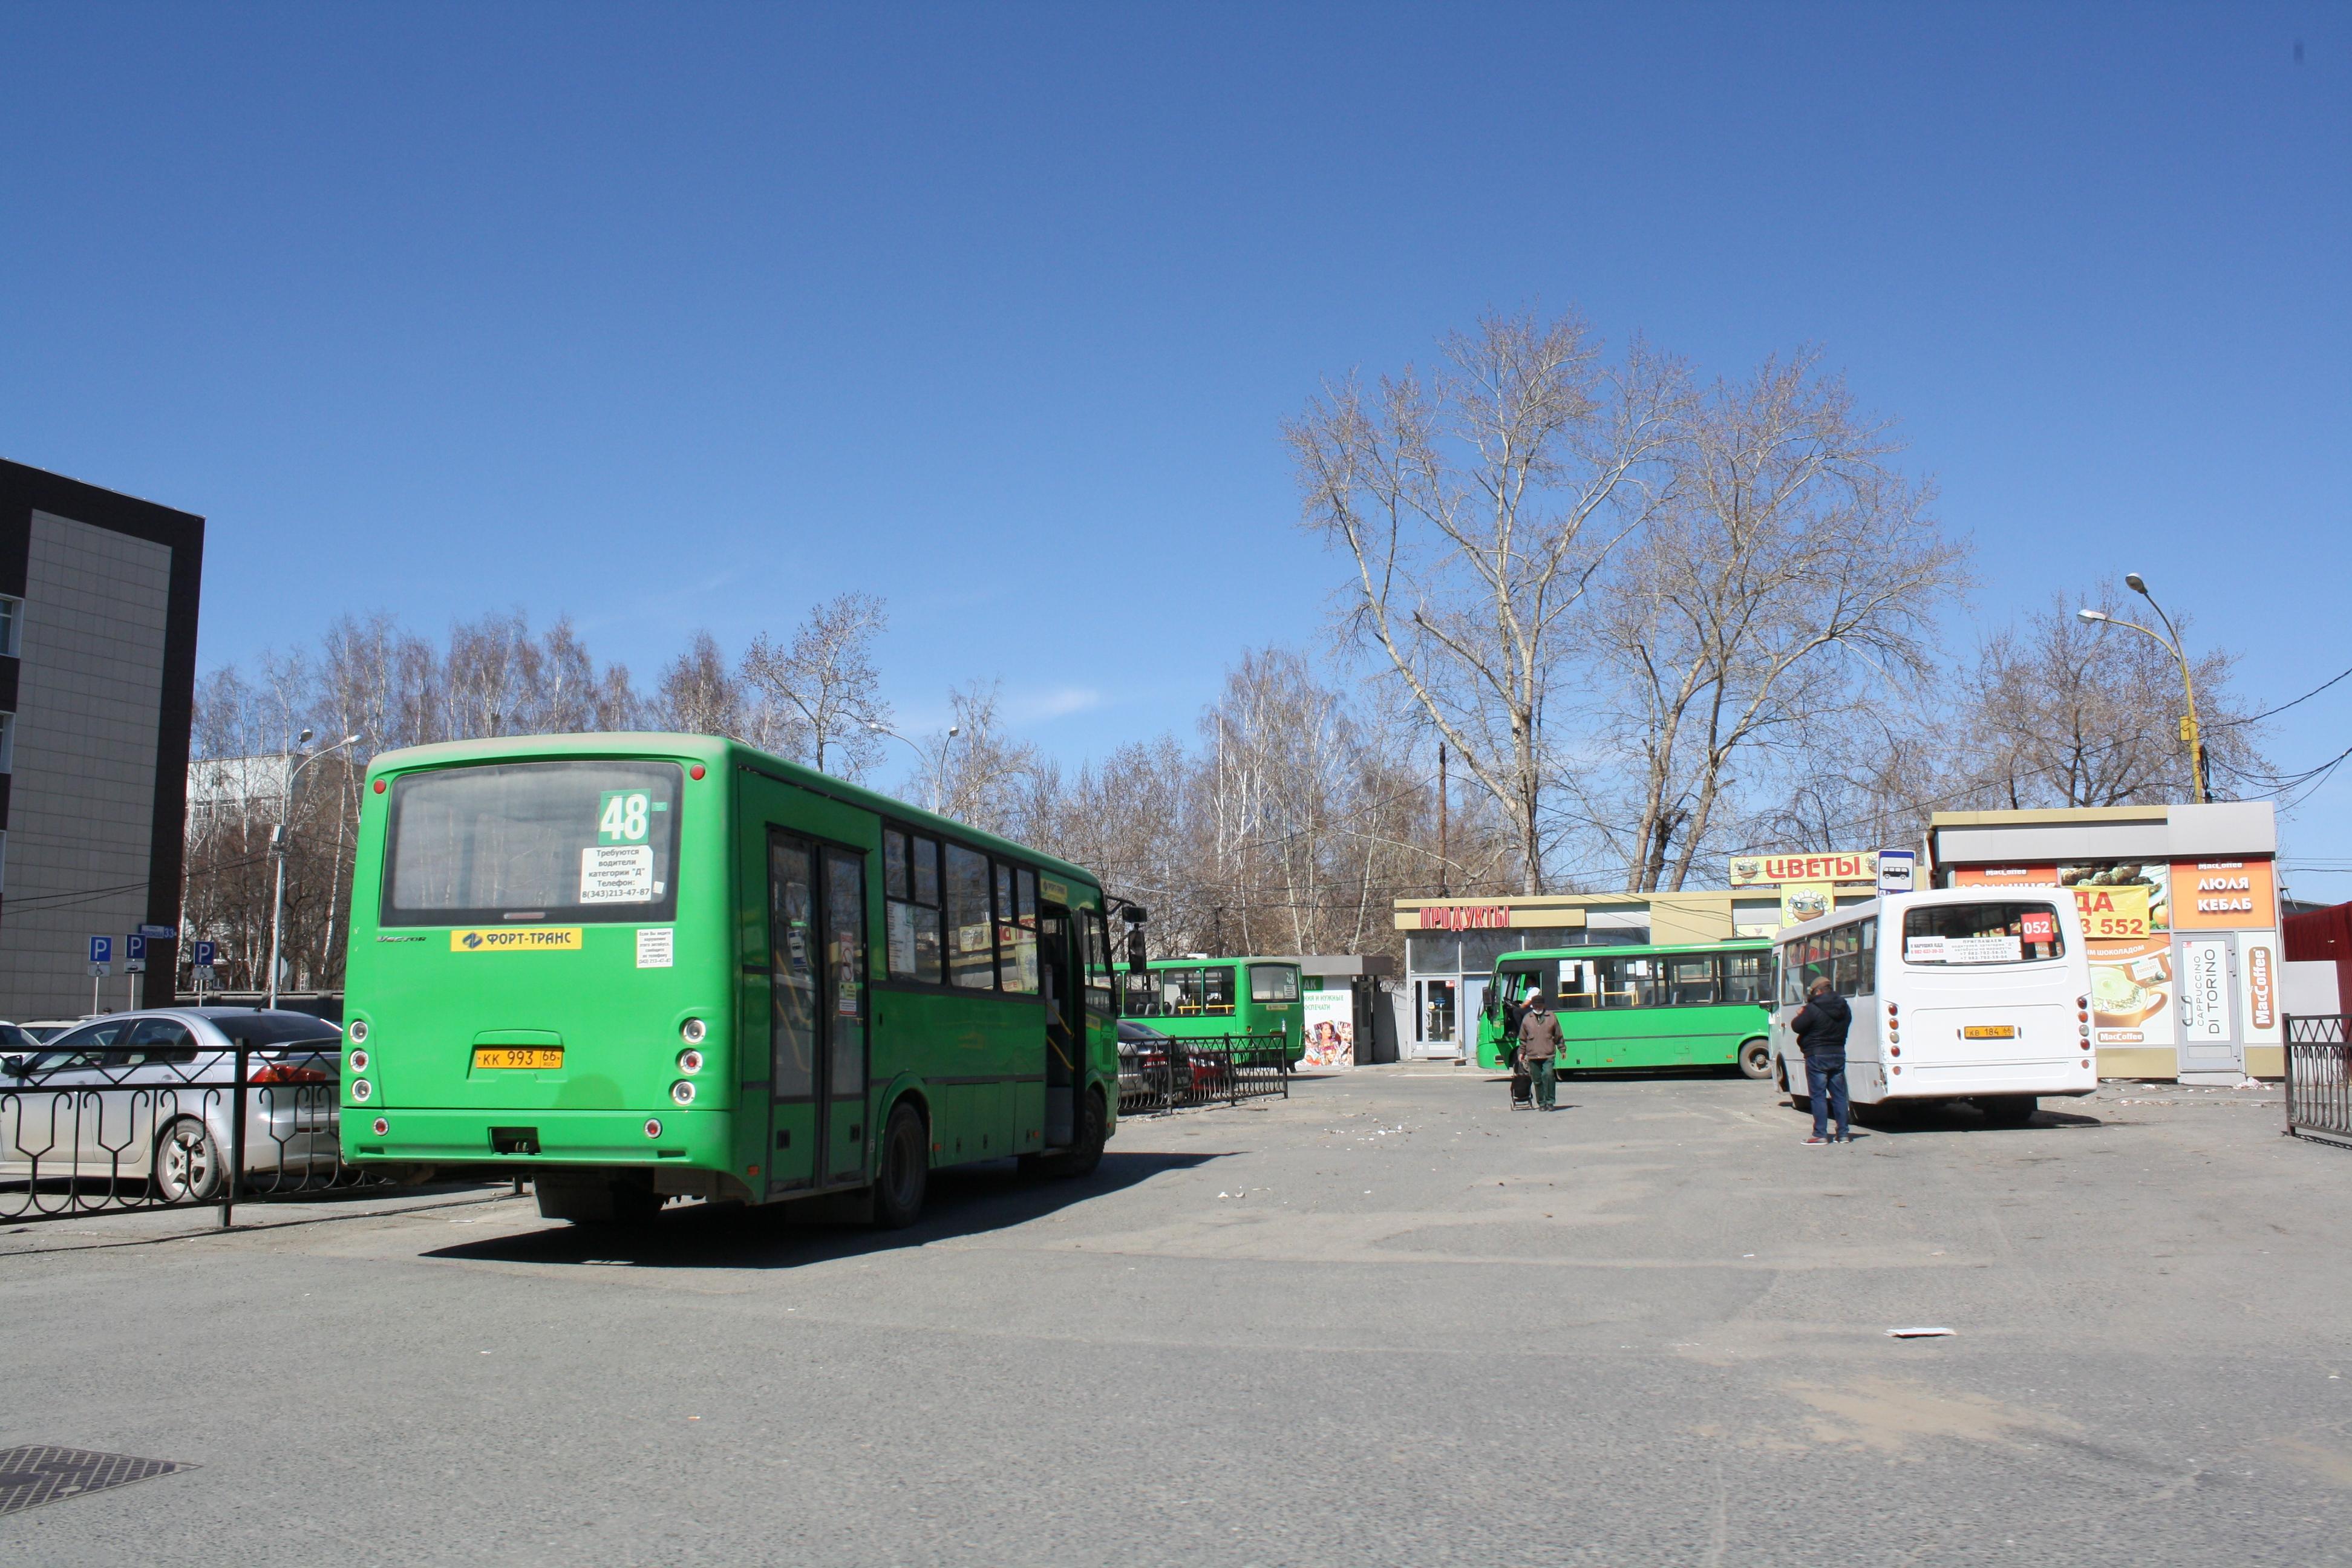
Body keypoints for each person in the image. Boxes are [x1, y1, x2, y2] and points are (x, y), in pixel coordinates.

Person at [1792, 975, 1851, 1145]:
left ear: (1818, 991)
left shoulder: (1812, 1008)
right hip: (1838, 1052)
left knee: (1818, 1095)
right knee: (1839, 1096)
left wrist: (1800, 1014)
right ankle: (1843, 1134)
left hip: (1817, 1055)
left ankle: (1820, 1134)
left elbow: (1797, 1026)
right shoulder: (1844, 1007)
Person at [1518, 990, 1564, 1112]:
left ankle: (1550, 1102)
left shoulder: (1551, 1017)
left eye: (1540, 1006)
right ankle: (1542, 1103)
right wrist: (1521, 1053)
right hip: (1533, 1055)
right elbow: (1522, 1039)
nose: (1538, 1008)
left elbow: (1558, 1035)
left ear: (1544, 1006)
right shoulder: (1527, 1019)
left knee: (1548, 1076)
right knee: (1537, 1080)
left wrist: (1562, 1049)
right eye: (1536, 1006)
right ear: (1532, 1006)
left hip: (1548, 1053)